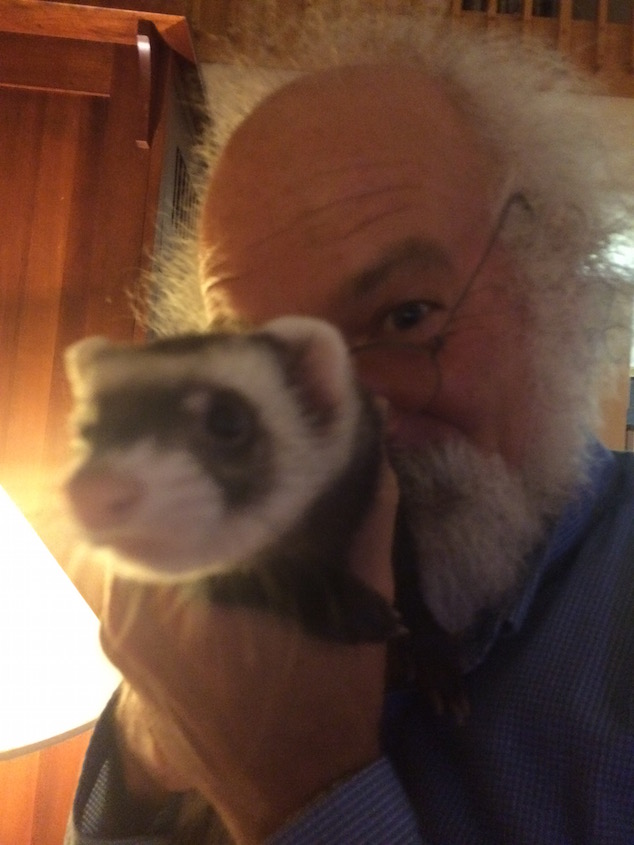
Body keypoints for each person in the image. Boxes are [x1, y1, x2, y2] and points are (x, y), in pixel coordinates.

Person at [65, 9, 634, 845]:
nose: (338, 420)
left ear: (557, 285)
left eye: (406, 316)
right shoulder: (223, 566)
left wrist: (294, 792)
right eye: (265, 360)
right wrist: (148, 750)